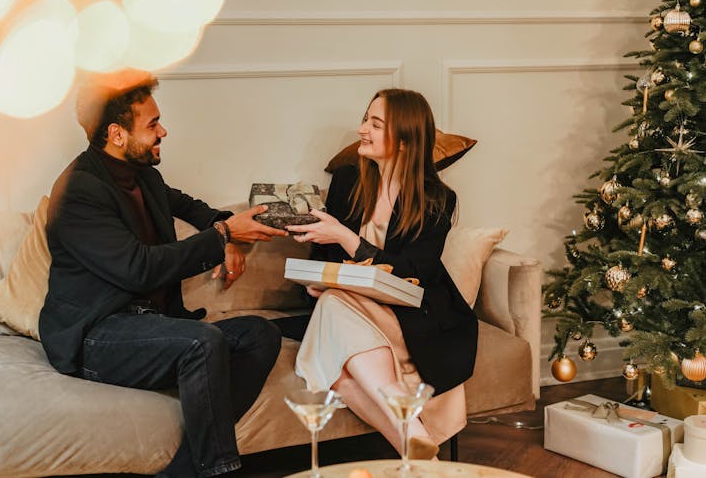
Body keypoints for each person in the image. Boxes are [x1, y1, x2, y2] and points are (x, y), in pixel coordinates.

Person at [38, 69, 288, 477]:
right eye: (152, 124)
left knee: (262, 334)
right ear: (117, 134)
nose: (163, 131)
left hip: (154, 326)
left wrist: (235, 233)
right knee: (202, 344)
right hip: (98, 335)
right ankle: (219, 470)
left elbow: (194, 209)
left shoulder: (145, 177)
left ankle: (185, 470)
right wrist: (222, 234)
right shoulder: (78, 192)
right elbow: (138, 269)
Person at [283, 88, 478, 459]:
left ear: (405, 139)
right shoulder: (347, 181)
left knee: (333, 335)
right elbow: (327, 257)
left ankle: (412, 436)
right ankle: (416, 445)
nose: (361, 130)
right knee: (338, 372)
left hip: (413, 314)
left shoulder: (437, 198)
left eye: (375, 124)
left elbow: (415, 272)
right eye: (365, 119)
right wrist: (318, 282)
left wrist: (345, 236)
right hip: (353, 307)